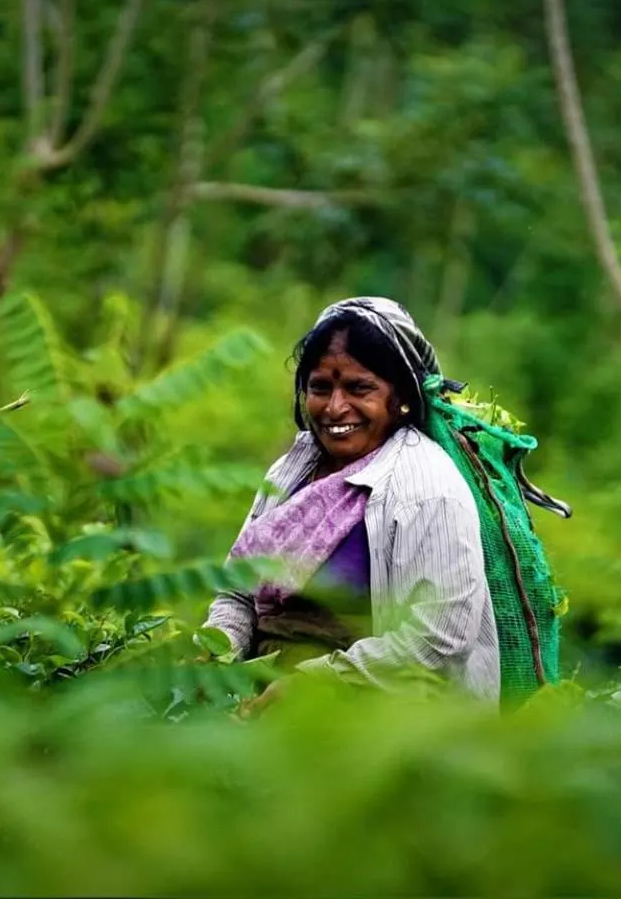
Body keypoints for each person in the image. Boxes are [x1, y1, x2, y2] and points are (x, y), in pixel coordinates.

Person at [200, 297, 500, 708]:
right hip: (262, 703)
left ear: (401, 397)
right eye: (320, 387)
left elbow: (441, 636)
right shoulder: (291, 471)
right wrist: (220, 649)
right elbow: (238, 591)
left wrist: (319, 681)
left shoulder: (427, 486)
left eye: (360, 388)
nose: (335, 407)